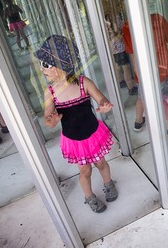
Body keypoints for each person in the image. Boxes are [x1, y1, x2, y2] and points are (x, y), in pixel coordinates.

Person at [37, 35, 118, 213]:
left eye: (46, 64)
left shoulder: (84, 83)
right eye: (41, 64)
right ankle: (89, 197)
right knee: (85, 171)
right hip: (74, 140)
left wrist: (104, 104)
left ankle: (108, 183)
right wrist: (51, 120)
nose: (42, 69)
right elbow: (48, 118)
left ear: (62, 65)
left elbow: (100, 97)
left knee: (101, 164)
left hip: (92, 134)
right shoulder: (50, 92)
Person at [122, 0, 168, 138]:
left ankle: (137, 122)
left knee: (142, 97)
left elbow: (132, 54)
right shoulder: (157, 19)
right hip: (160, 69)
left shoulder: (128, 25)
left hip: (144, 71)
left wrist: (138, 75)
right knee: (162, 98)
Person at [97, 0, 138, 95]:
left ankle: (120, 81)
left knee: (117, 65)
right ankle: (131, 87)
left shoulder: (103, 17)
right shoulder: (113, 17)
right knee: (126, 66)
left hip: (112, 47)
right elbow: (119, 30)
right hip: (119, 45)